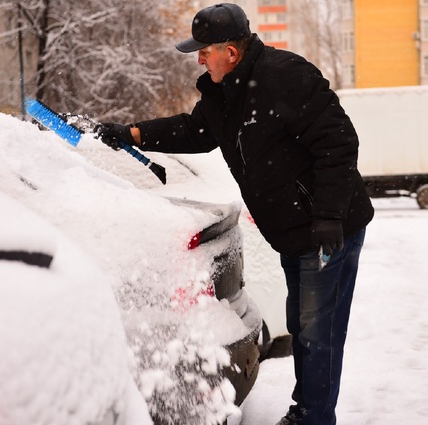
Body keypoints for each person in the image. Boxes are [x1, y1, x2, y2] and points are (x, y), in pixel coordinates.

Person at [95, 3, 374, 424]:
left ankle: (314, 417)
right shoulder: (223, 93)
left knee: (318, 332)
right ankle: (308, 411)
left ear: (232, 50)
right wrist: (130, 133)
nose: (199, 58)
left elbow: (337, 143)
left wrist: (329, 216)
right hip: (295, 230)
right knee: (304, 328)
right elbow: (195, 132)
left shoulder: (286, 75)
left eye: (205, 50)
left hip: (328, 228)